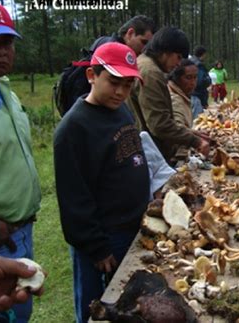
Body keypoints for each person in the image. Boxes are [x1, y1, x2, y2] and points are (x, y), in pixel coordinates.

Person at [54, 42, 150, 323]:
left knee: (126, 305)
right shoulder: (74, 128)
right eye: (113, 82)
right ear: (91, 76)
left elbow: (133, 155)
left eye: (128, 84)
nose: (121, 91)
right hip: (104, 237)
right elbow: (74, 197)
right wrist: (96, 246)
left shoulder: (121, 110)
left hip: (133, 226)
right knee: (96, 308)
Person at [0, 2, 41, 323]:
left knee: (19, 311)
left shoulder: (8, 92)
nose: (1, 52)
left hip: (23, 230)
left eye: (6, 43)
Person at [127, 27, 210, 165]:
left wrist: (190, 133)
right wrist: (195, 141)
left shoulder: (145, 64)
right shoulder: (150, 73)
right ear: (165, 51)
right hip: (149, 154)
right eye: (178, 57)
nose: (178, 64)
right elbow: (159, 124)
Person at [90, 15, 156, 56]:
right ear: (130, 34)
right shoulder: (115, 53)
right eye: (143, 42)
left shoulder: (103, 41)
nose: (145, 49)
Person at [168, 59, 198, 129]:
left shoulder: (183, 95)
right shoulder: (175, 99)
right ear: (177, 78)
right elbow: (178, 128)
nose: (193, 82)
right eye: (188, 78)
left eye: (195, 77)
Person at [190, 46, 211, 118]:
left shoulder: (190, 61)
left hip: (191, 94)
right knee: (199, 118)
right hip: (198, 95)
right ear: (203, 54)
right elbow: (200, 81)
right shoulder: (199, 65)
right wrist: (208, 80)